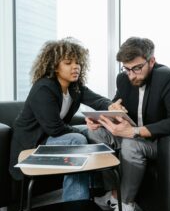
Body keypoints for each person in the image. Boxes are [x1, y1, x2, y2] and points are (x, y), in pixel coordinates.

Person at [86, 37, 170, 211]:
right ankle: (114, 193)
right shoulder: (124, 78)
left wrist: (134, 132)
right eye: (126, 69)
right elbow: (119, 107)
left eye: (136, 68)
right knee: (95, 132)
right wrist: (103, 118)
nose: (131, 75)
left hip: (162, 144)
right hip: (132, 133)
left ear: (152, 61)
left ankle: (127, 207)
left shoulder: (169, 78)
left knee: (132, 144)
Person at [9, 37, 118, 202]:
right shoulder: (43, 88)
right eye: (68, 62)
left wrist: (112, 106)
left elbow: (98, 100)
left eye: (78, 62)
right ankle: (76, 204)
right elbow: (55, 128)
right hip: (34, 142)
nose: (75, 67)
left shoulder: (75, 87)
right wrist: (82, 128)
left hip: (54, 136)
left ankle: (101, 187)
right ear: (55, 67)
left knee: (94, 131)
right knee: (78, 138)